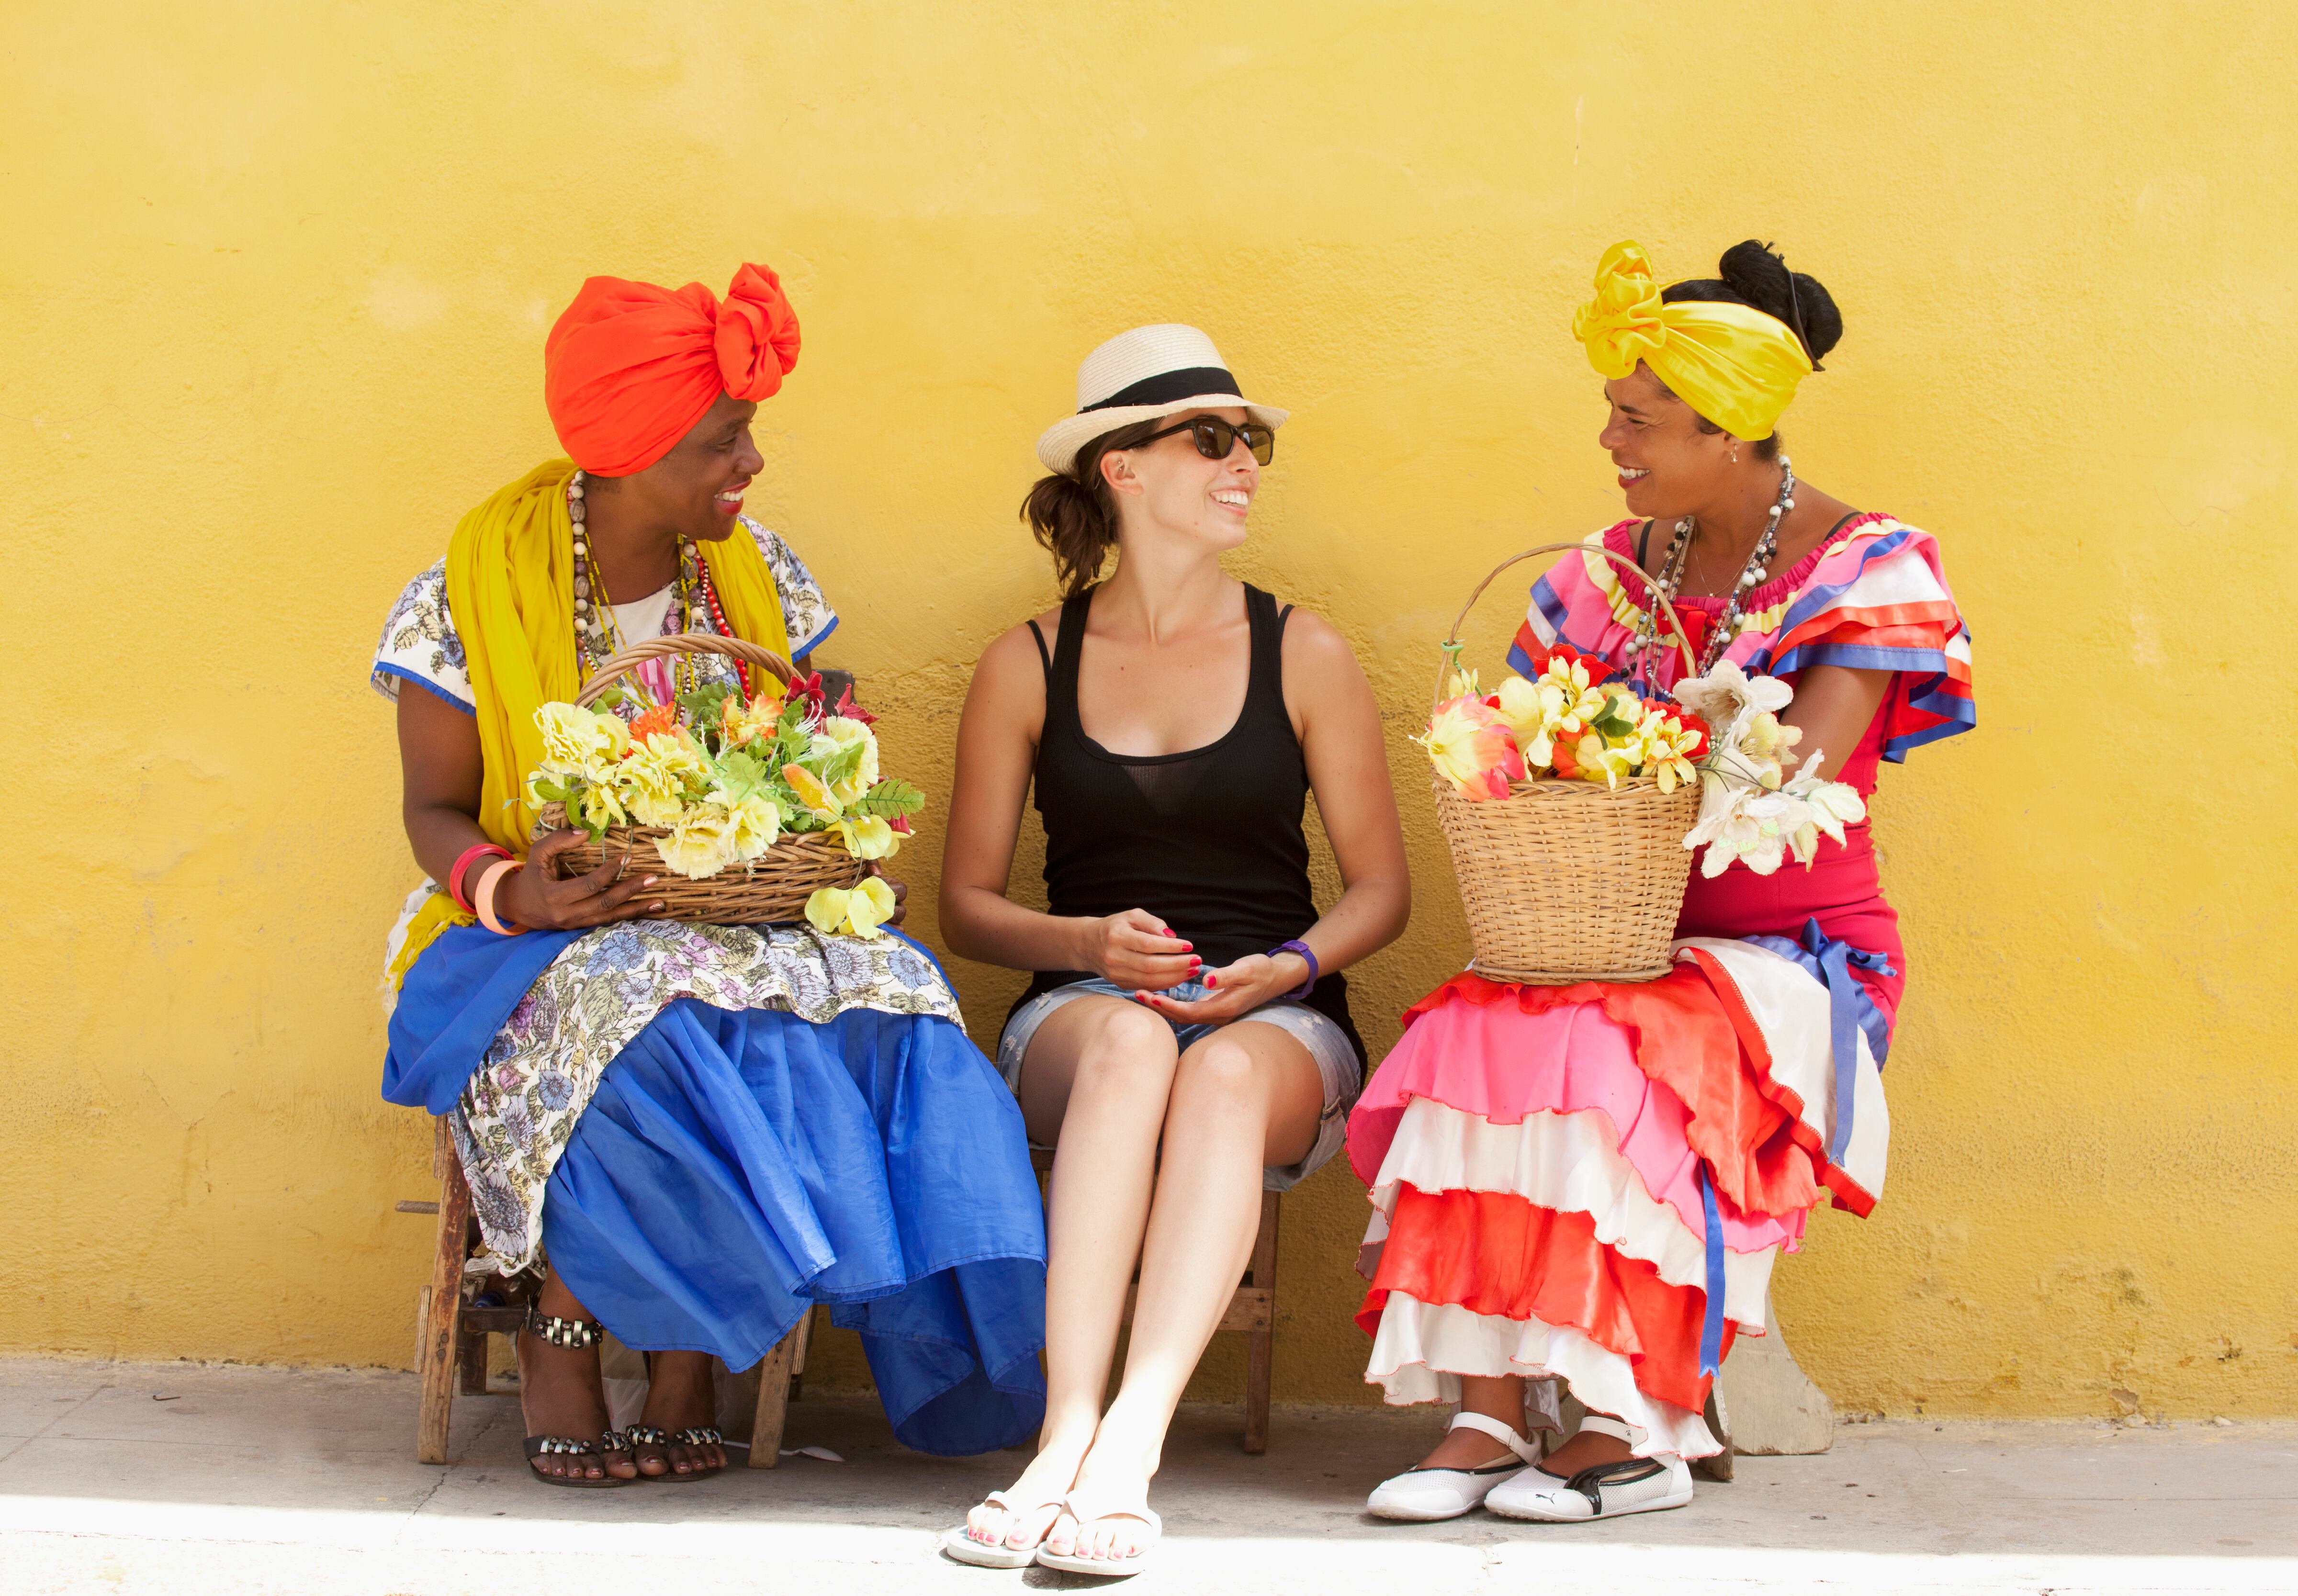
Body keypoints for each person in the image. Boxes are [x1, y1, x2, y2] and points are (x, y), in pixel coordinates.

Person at [372, 264, 1047, 1488]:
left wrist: (818, 797)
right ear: (633, 453)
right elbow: (430, 809)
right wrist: (513, 886)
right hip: (516, 930)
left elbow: (799, 748)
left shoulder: (759, 577)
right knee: (647, 1017)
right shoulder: (466, 593)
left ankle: (693, 1357)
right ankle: (567, 1330)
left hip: (735, 915)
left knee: (900, 1000)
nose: (752, 463)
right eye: (724, 441)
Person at [1353, 240, 1975, 1523]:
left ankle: (1628, 1419)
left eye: (1638, 420)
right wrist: (1501, 756)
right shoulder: (1601, 571)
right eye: (1614, 414)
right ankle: (1480, 1406)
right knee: (1473, 1022)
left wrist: (1630, 754)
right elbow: (1518, 733)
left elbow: (1788, 784)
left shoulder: (1868, 567)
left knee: (1596, 1050)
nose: (1611, 439)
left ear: (1732, 430)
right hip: (1604, 942)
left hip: (1794, 953)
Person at [938, 326, 1410, 1574]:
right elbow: (966, 906)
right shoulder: (1026, 662)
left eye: (1248, 440)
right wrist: (1087, 940)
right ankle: (1064, 1432)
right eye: (1210, 439)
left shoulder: (1303, 651)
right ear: (1123, 469)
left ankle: (1129, 1445)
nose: (1243, 460)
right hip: (1084, 1010)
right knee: (1140, 1042)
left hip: (1278, 1013)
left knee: (1222, 1069)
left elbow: (1381, 890)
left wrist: (1293, 968)